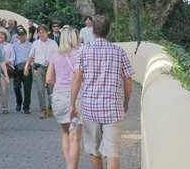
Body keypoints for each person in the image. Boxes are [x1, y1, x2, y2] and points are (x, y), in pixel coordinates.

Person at [70, 15, 135, 169]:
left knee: (94, 151)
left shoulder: (84, 51)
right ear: (108, 32)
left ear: (93, 31)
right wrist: (125, 102)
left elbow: (77, 79)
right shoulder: (119, 52)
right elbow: (128, 80)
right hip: (113, 109)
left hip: (90, 109)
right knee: (113, 153)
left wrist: (72, 104)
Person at [48, 27, 83, 169]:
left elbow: (49, 79)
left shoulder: (55, 56)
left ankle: (69, 165)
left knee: (65, 133)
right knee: (74, 137)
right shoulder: (80, 54)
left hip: (58, 97)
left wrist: (59, 85)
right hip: (75, 99)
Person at [24, 20, 57, 118]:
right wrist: (26, 67)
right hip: (39, 68)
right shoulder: (35, 43)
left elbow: (58, 57)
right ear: (37, 33)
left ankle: (51, 108)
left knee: (51, 91)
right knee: (40, 89)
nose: (41, 33)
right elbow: (30, 56)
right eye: (40, 32)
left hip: (51, 68)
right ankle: (43, 110)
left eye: (43, 31)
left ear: (48, 32)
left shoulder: (53, 43)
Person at [11, 25, 33, 114]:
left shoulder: (31, 45)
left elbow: (32, 57)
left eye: (23, 35)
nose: (22, 37)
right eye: (20, 35)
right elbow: (12, 56)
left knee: (27, 88)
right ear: (17, 36)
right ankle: (19, 103)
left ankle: (26, 107)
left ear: (26, 35)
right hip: (17, 68)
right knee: (16, 87)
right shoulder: (14, 45)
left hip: (27, 67)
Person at [0, 28, 15, 114]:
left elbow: (13, 56)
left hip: (5, 69)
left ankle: (5, 107)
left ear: (5, 36)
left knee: (4, 88)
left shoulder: (10, 45)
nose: (1, 36)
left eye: (2, 34)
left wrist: (7, 61)